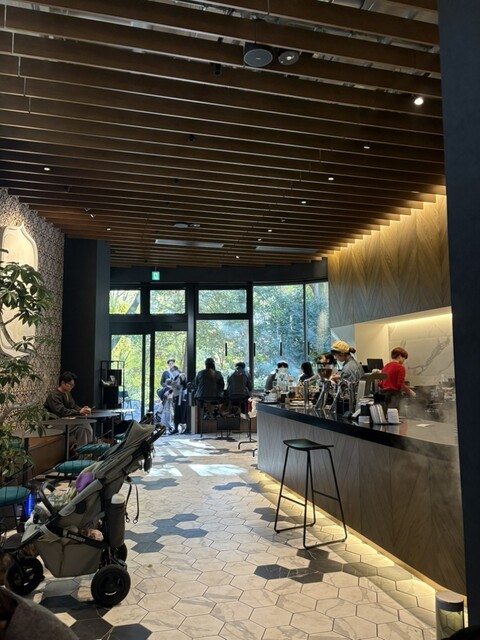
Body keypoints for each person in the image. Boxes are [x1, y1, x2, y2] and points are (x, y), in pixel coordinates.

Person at [44, 371, 93, 448]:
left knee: (82, 429)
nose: (72, 387)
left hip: (65, 422)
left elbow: (73, 406)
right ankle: (88, 449)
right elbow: (61, 411)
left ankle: (83, 452)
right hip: (53, 424)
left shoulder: (67, 394)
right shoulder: (54, 396)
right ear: (62, 383)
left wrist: (83, 409)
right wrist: (79, 411)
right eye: (70, 384)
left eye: (73, 385)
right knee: (83, 423)